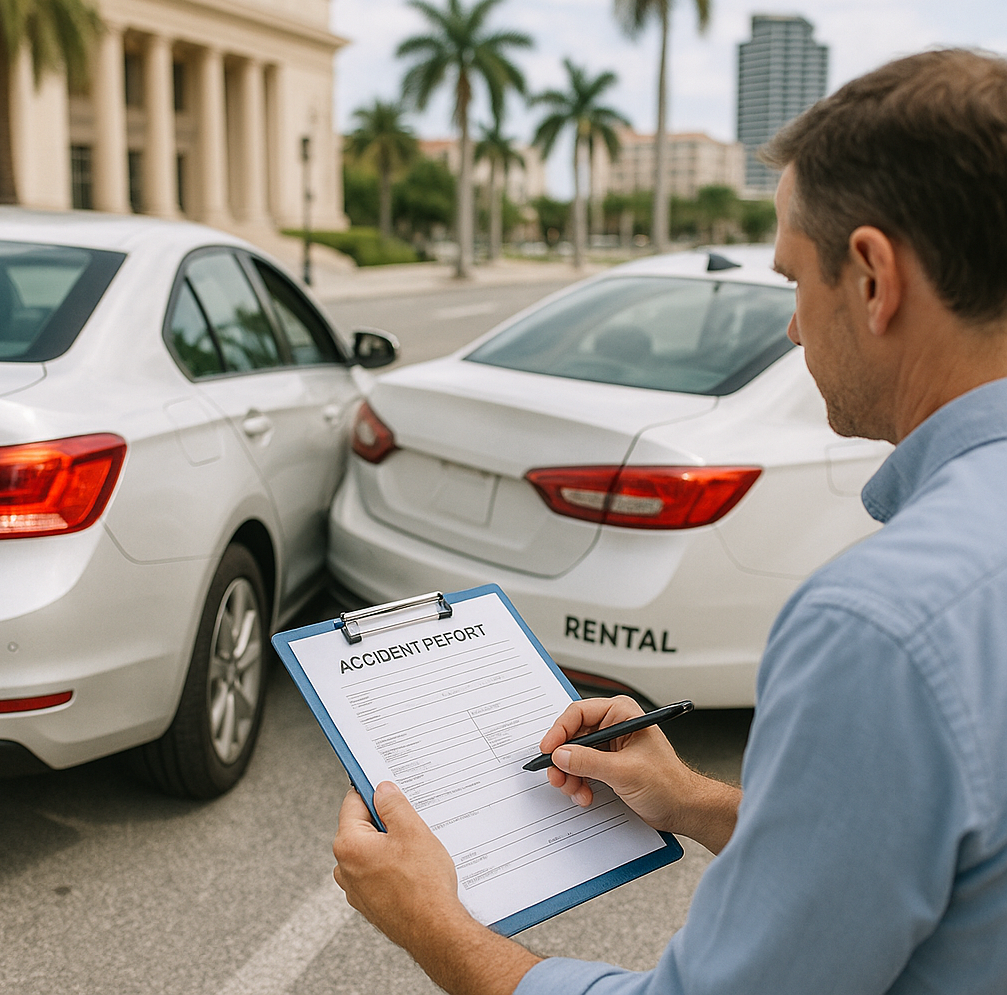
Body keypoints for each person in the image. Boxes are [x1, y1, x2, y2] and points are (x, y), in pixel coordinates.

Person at [332, 48, 1007, 995]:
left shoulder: (882, 626)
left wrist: (431, 922)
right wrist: (692, 800)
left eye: (794, 282)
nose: (793, 329)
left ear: (871, 279)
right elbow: (939, 855)